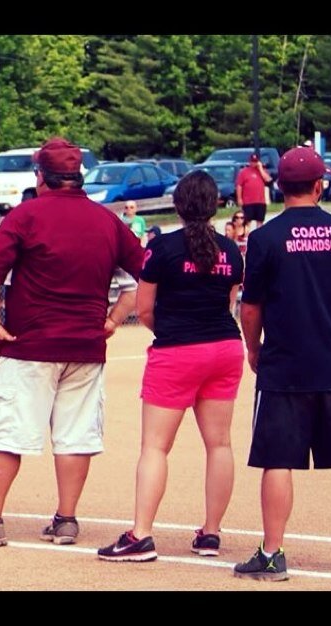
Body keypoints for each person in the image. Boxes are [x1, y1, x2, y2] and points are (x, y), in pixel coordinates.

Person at [0, 137, 144, 548]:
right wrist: (112, 320)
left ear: (42, 178)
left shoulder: (26, 216)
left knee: (9, 431)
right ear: (78, 178)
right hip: (86, 344)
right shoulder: (106, 220)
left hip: (31, 342)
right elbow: (142, 273)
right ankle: (66, 519)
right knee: (75, 433)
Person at [234, 146, 331, 581]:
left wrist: (254, 348)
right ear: (320, 186)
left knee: (277, 459)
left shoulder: (265, 238)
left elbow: (251, 307)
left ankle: (273, 553)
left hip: (285, 363)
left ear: (279, 186)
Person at [96, 170, 245, 562]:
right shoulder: (230, 249)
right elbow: (228, 301)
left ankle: (141, 534)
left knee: (155, 447)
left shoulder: (162, 248)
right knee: (220, 444)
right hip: (225, 347)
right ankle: (211, 533)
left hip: (178, 351)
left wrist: (173, 331)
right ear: (215, 206)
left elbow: (144, 309)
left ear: (178, 206)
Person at [236, 153, 272, 231]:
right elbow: (239, 186)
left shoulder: (262, 171)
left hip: (260, 201)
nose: (253, 163)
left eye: (255, 161)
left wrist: (260, 169)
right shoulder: (243, 172)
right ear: (249, 161)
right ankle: (247, 237)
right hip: (248, 202)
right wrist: (239, 198)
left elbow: (268, 180)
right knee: (247, 221)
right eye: (252, 161)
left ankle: (259, 237)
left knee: (260, 221)